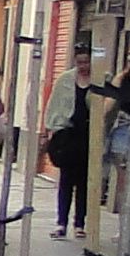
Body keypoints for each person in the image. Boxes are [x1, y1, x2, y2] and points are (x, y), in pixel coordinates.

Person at [41, 37, 97, 234]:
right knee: (66, 179)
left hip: (90, 135)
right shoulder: (65, 79)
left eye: (86, 61)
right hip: (68, 135)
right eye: (79, 61)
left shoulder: (101, 79)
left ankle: (80, 223)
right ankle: (61, 222)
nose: (83, 66)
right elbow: (53, 106)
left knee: (84, 182)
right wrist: (49, 131)